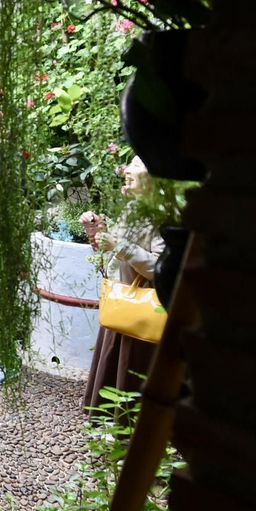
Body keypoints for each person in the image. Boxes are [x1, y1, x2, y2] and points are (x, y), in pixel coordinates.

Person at [80, 157, 164, 408]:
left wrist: (120, 246)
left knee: (132, 367)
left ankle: (129, 426)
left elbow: (159, 268)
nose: (127, 170)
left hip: (138, 311)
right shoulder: (133, 208)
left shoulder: (161, 214)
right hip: (120, 300)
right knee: (113, 363)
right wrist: (96, 231)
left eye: (136, 165)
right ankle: (110, 421)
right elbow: (111, 251)